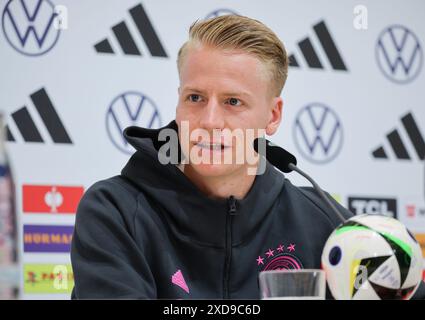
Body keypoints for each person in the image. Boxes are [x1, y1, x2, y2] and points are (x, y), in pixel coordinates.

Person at [70, 15, 423, 299]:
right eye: (195, 98)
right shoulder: (115, 210)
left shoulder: (322, 222)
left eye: (232, 102)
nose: (209, 121)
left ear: (272, 116)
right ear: (178, 100)